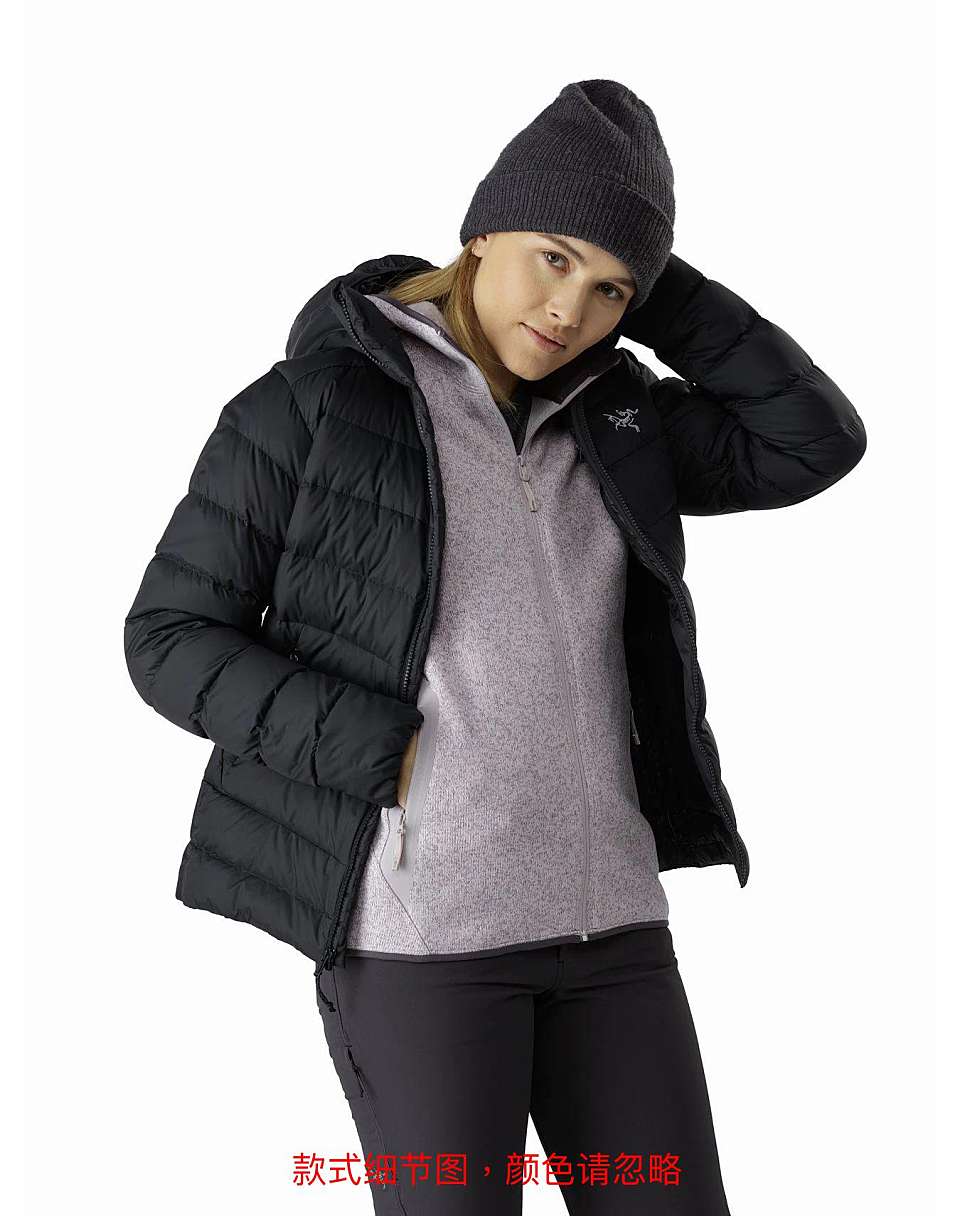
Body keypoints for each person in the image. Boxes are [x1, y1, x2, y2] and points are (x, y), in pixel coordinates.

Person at [124, 79, 867, 1214]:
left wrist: (658, 282)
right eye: (554, 257)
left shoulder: (617, 418)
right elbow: (168, 636)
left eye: (612, 288)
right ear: (482, 233)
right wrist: (377, 749)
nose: (571, 309)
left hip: (613, 929)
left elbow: (813, 439)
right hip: (425, 940)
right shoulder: (316, 403)